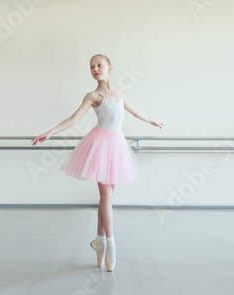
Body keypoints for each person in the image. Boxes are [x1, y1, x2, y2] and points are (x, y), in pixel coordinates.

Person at [31, 54, 164, 272]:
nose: (95, 69)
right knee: (106, 196)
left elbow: (134, 111)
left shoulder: (119, 94)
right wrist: (50, 132)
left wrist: (151, 120)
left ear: (110, 68)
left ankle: (98, 242)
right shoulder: (93, 95)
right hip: (100, 144)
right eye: (91, 67)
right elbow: (74, 119)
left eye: (99, 65)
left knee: (108, 197)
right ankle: (110, 245)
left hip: (117, 145)